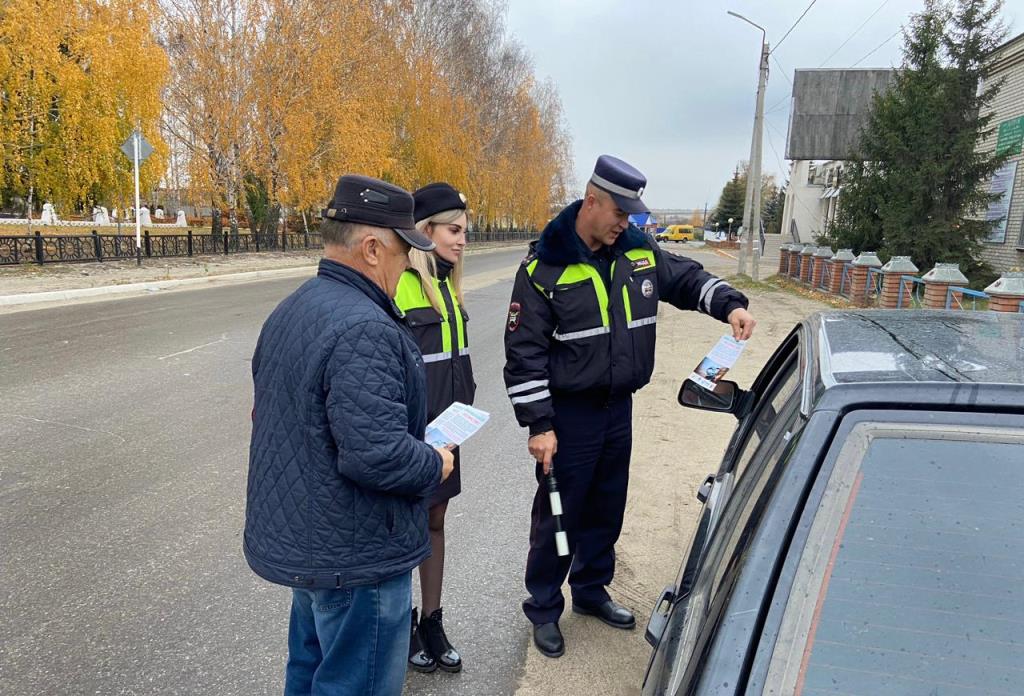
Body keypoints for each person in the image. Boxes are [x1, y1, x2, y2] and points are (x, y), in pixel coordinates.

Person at [503, 155, 757, 658]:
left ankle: (592, 592)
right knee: (559, 514)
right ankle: (545, 606)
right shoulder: (542, 268)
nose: (627, 222)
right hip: (568, 416)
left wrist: (730, 303)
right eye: (620, 212)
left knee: (606, 505)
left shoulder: (638, 252)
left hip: (618, 408)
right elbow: (524, 353)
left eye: (631, 213)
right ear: (591, 201)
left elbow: (685, 279)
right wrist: (539, 424)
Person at [245, 174, 456, 696]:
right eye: (404, 250)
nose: (408, 262)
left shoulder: (294, 307)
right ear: (370, 248)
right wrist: (434, 462)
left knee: (309, 672)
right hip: (358, 555)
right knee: (353, 684)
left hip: (315, 545)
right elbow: (376, 453)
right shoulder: (365, 327)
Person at [394, 182, 475, 674]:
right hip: (410, 436)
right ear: (425, 232)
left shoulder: (449, 286)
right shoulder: (401, 284)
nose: (463, 240)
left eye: (465, 230)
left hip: (448, 433)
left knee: (436, 523)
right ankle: (400, 625)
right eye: (453, 230)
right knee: (406, 528)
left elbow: (456, 361)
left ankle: (432, 620)